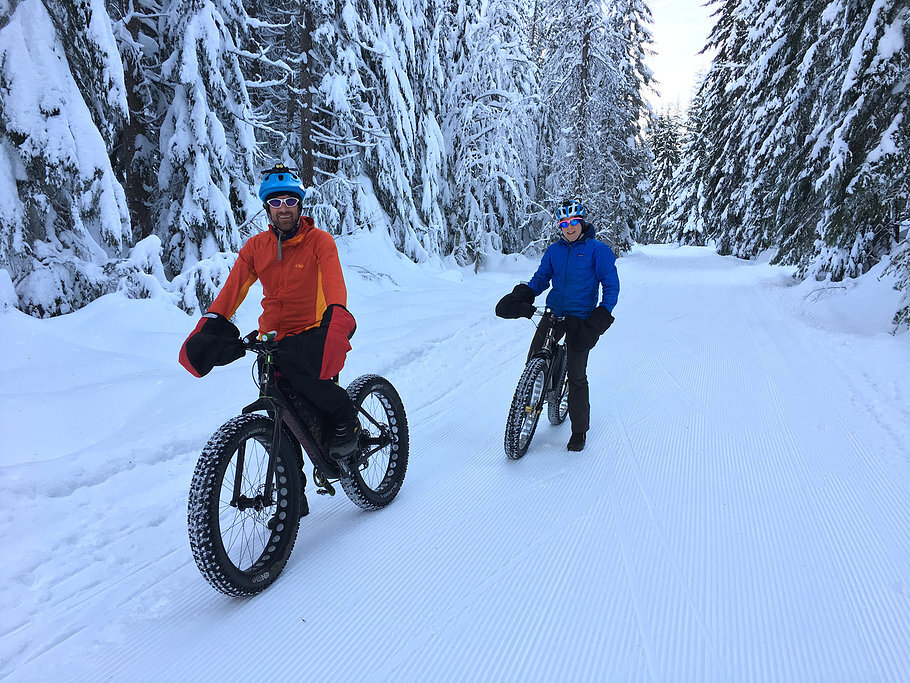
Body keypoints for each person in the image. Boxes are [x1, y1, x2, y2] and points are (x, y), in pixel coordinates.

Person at [179, 164, 361, 460]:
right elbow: (231, 292)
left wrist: (336, 319)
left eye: (290, 201)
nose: (284, 209)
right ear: (267, 207)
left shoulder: (319, 242)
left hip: (313, 338)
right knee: (282, 417)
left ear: (300, 204)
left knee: (310, 392)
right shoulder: (255, 248)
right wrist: (210, 327)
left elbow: (334, 286)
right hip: (273, 340)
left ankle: (345, 416)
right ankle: (293, 497)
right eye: (276, 202)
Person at [495, 199, 619, 452]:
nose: (569, 227)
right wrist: (524, 294)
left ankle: (579, 431)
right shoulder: (554, 251)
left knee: (576, 376)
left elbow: (611, 286)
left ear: (582, 222)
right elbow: (541, 278)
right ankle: (538, 386)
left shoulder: (598, 250)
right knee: (533, 359)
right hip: (554, 312)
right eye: (564, 223)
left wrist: (600, 318)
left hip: (581, 319)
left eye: (573, 222)